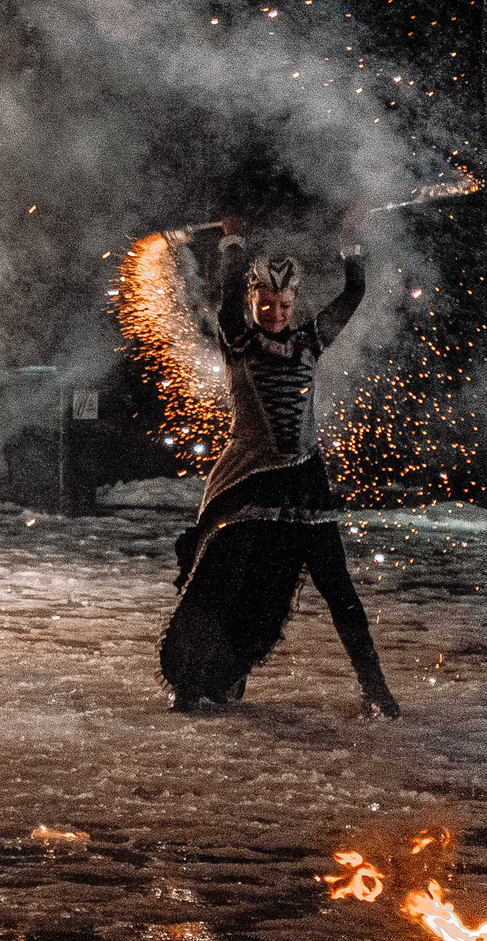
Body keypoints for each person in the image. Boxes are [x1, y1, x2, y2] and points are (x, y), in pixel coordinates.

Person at [159, 199, 399, 716]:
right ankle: (191, 678)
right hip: (250, 478)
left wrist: (350, 239)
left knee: (337, 585)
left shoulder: (310, 341)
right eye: (267, 304)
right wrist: (232, 243)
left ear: (294, 303)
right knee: (222, 577)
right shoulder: (240, 340)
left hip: (306, 481)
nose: (276, 313)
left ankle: (374, 686)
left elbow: (354, 292)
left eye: (285, 305)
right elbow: (226, 300)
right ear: (255, 302)